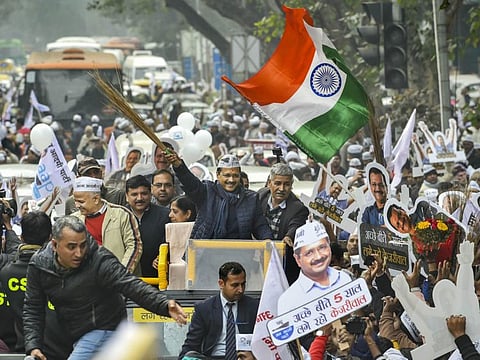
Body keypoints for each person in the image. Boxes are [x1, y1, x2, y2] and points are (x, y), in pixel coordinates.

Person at [23, 216, 187, 360]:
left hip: (104, 328)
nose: (79, 253)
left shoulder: (99, 260)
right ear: (54, 245)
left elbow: (130, 284)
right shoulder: (39, 265)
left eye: (82, 245)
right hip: (71, 333)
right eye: (71, 247)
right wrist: (33, 345)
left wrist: (164, 304)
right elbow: (33, 307)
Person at [0, 211, 73, 358]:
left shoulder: (7, 273)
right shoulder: (63, 271)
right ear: (50, 237)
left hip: (24, 348)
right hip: (61, 349)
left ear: (22, 238)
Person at [165, 151, 273, 240]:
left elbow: (260, 226)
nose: (231, 180)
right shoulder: (207, 191)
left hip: (240, 254)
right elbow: (191, 183)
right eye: (227, 175)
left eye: (235, 176)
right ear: (218, 175)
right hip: (206, 253)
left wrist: (268, 241)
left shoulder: (251, 198)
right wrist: (179, 166)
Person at [179, 262, 258, 359]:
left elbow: (264, 342)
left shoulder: (254, 307)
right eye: (235, 285)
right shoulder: (204, 309)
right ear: (221, 284)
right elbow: (191, 345)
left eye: (243, 284)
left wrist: (255, 356)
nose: (240, 290)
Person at [278, 219, 352, 315]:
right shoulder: (288, 300)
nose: (318, 256)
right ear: (298, 259)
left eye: (322, 247)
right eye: (309, 253)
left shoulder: (344, 279)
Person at [71, 176, 143, 275]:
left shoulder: (122, 214)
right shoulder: (73, 220)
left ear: (96, 199)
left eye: (81, 202)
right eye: (75, 201)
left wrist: (121, 275)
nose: (77, 205)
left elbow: (134, 246)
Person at [257, 163, 309, 284]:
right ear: (269, 183)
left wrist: (288, 237)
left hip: (283, 265)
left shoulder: (298, 208)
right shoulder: (260, 196)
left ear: (291, 185)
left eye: (286, 184)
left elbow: (296, 225)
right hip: (257, 261)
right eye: (277, 183)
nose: (281, 188)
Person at [125, 175, 170, 277]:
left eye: (144, 193)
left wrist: (164, 258)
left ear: (150, 194)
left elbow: (172, 244)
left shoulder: (165, 215)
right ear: (126, 196)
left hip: (157, 278)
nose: (139, 198)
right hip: (127, 279)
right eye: (134, 194)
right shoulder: (119, 216)